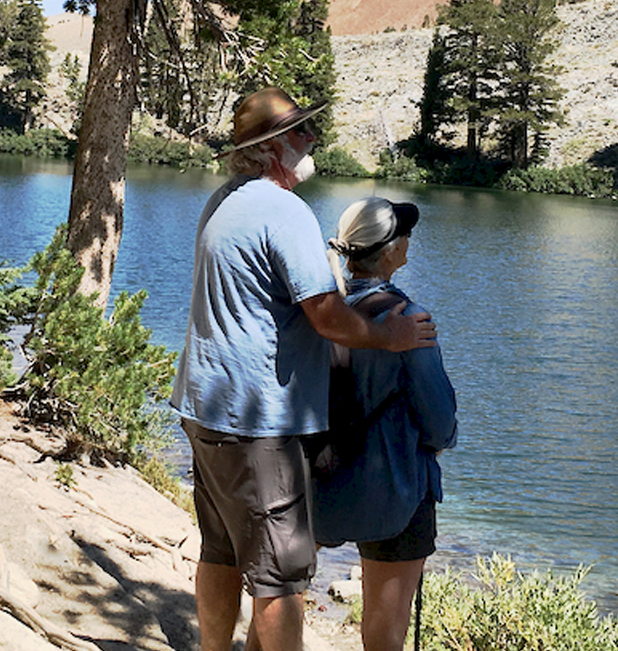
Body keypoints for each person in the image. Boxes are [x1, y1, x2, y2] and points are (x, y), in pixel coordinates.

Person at [171, 87, 438, 651]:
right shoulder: (283, 209)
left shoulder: (223, 200)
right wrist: (388, 335)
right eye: (299, 132)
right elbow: (328, 315)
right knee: (281, 577)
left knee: (219, 550)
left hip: (203, 406)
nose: (312, 139)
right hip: (257, 421)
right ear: (270, 149)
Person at [315, 197, 458, 651]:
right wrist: (440, 440)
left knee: (281, 595)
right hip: (395, 494)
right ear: (393, 250)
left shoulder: (321, 311)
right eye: (405, 233)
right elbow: (440, 423)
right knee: (384, 632)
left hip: (320, 485)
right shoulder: (409, 320)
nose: (410, 239)